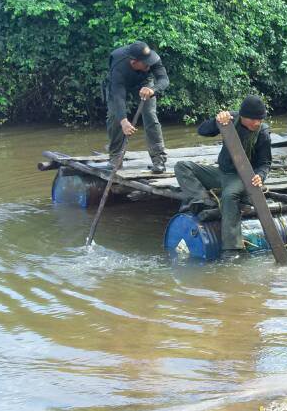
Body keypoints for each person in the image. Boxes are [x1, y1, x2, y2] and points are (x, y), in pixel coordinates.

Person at [174, 96, 272, 255]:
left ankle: (232, 249)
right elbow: (202, 130)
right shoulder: (230, 120)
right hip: (222, 173)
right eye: (253, 119)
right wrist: (216, 120)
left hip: (241, 177)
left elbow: (265, 163)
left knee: (229, 196)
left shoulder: (263, 133)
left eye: (260, 119)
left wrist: (260, 175)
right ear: (243, 116)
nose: (257, 123)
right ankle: (203, 202)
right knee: (182, 167)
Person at [102, 41, 169, 172]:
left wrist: (153, 89)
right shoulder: (118, 66)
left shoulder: (153, 59)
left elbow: (164, 80)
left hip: (144, 83)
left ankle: (158, 159)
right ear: (134, 62)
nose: (149, 65)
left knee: (150, 114)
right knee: (115, 116)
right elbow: (119, 96)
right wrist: (124, 121)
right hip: (120, 85)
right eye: (145, 63)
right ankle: (116, 157)